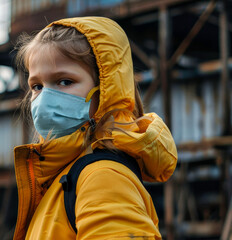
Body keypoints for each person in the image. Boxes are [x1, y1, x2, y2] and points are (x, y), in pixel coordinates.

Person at [12, 17, 177, 239]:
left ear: (107, 91)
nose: (45, 99)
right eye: (37, 86)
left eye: (64, 81)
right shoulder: (65, 175)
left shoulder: (102, 177)